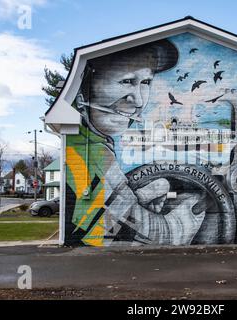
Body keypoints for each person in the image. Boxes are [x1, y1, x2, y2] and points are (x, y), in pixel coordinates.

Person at [66, 39, 205, 246]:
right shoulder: (87, 152)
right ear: (84, 88)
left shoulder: (93, 143)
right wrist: (194, 211)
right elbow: (118, 235)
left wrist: (146, 193)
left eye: (145, 83)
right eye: (126, 81)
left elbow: (110, 206)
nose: (139, 101)